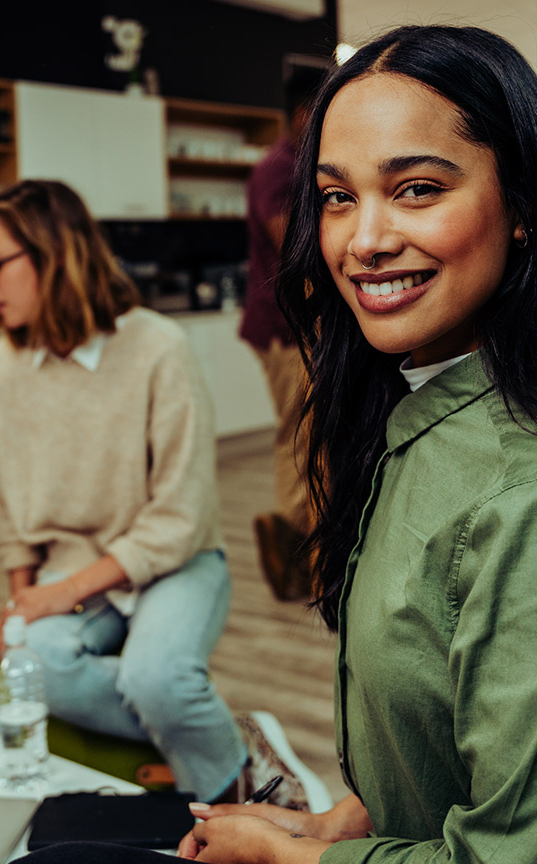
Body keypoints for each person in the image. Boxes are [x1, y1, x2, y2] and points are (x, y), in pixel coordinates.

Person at [19, 25, 537, 864]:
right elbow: (458, 738)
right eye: (335, 196)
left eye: (418, 189)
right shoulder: (421, 408)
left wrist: (291, 858)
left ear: (526, 209)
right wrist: (344, 821)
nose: (362, 241)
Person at [0, 180, 321, 809]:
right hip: (71, 572)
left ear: (55, 255)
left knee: (157, 679)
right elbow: (8, 517)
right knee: (23, 675)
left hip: (176, 564)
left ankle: (242, 809)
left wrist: (59, 595)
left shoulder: (158, 347)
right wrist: (20, 612)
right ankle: (228, 737)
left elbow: (181, 518)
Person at [242, 62, 327, 602]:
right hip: (282, 327)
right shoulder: (278, 169)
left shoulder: (307, 162)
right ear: (303, 114)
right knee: (301, 434)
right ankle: (295, 549)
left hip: (300, 322)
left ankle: (303, 549)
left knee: (313, 432)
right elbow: (292, 246)